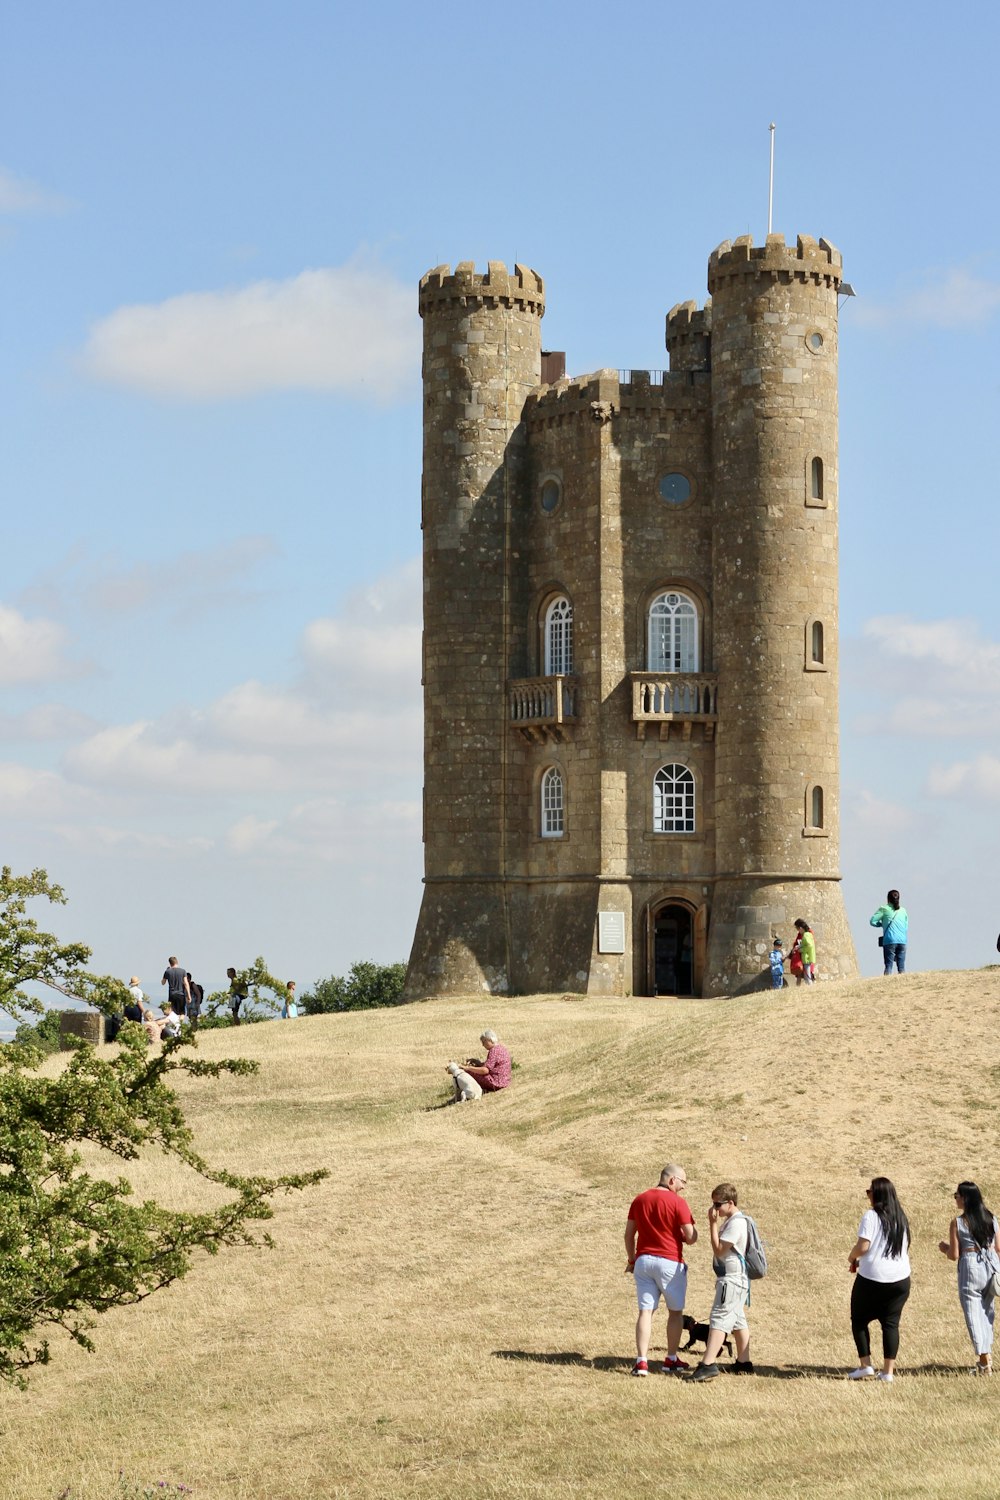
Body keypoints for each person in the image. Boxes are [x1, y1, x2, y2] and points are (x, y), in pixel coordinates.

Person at [624, 1163, 698, 1376]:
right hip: (669, 1261)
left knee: (646, 1311)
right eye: (683, 1182)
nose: (683, 1187)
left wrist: (632, 1259)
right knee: (675, 1312)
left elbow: (629, 1235)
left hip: (643, 1261)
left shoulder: (639, 1199)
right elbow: (691, 1237)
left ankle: (641, 1361)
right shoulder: (678, 1202)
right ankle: (671, 1358)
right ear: (672, 1180)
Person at [847, 1176, 911, 1382]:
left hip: (873, 1277)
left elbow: (863, 1246)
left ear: (877, 1195)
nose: (868, 1195)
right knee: (890, 1324)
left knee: (858, 1319)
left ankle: (865, 1365)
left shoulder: (871, 1216)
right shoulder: (901, 1216)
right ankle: (888, 1372)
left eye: (869, 1191)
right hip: (900, 1279)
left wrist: (852, 1257)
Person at [687, 1183, 753, 1381]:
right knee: (737, 1320)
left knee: (719, 1319)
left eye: (718, 1204)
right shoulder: (735, 1220)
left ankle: (707, 1364)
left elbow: (719, 1250)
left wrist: (712, 1224)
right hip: (736, 1280)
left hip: (731, 1281)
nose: (714, 1209)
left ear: (730, 1203)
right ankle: (744, 1363)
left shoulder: (736, 1223)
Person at [938, 1180, 1000, 1374]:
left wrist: (944, 1249)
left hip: (970, 1266)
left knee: (973, 1313)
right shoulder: (992, 1218)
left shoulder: (958, 1222)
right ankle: (986, 1355)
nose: (955, 1199)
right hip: (991, 1266)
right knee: (987, 1311)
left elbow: (954, 1254)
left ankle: (984, 1361)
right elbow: (998, 1248)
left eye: (957, 1196)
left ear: (965, 1198)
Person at [457, 1030, 511, 1095]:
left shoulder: (493, 1051)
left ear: (489, 1040)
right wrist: (478, 1063)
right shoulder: (501, 1048)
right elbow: (492, 1066)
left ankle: (469, 1092)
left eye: (483, 1042)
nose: (483, 1045)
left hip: (496, 1083)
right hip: (504, 1081)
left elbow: (485, 1071)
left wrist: (468, 1068)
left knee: (468, 1072)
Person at [870, 890, 908, 975]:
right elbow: (906, 926)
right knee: (901, 967)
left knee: (888, 966)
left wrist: (882, 924)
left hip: (889, 940)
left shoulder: (884, 909)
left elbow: (872, 921)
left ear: (888, 899)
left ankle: (887, 984)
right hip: (902, 940)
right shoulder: (903, 910)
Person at [792, 919, 815, 984]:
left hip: (806, 957)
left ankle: (810, 988)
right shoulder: (807, 934)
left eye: (797, 928)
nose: (797, 931)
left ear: (801, 928)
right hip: (805, 957)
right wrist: (798, 946)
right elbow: (803, 943)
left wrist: (801, 950)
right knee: (806, 975)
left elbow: (809, 946)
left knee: (807, 976)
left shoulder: (806, 934)